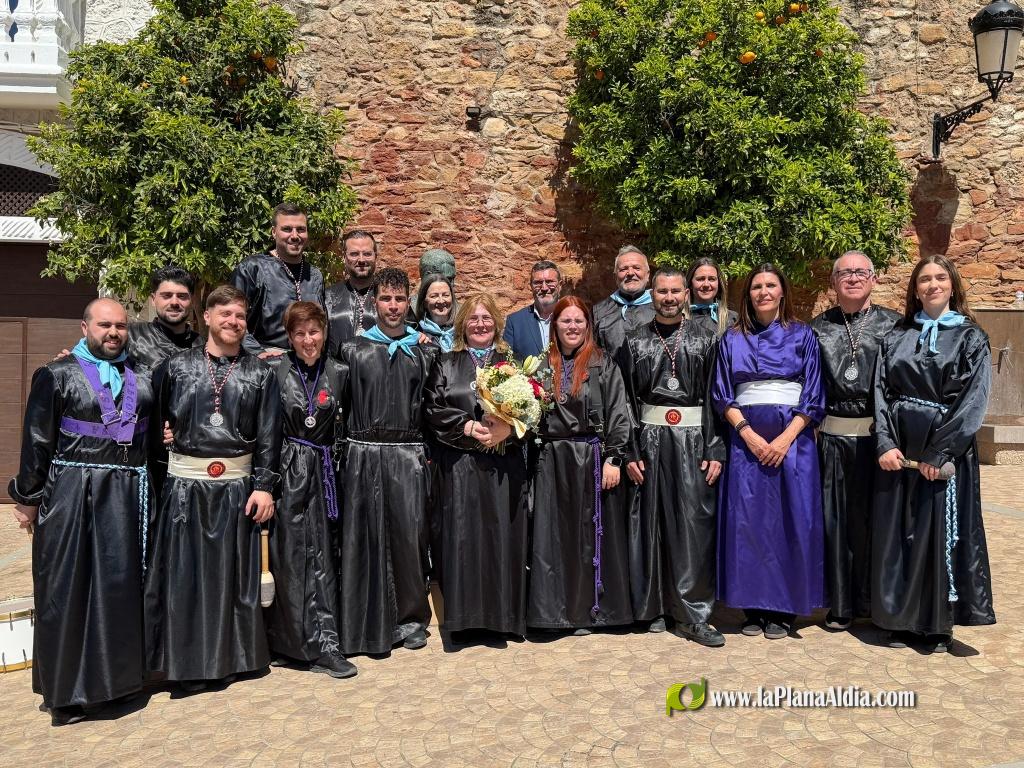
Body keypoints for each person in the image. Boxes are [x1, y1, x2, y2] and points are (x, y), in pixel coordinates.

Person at [9, 298, 151, 726]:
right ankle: (66, 695)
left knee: (117, 589)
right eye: (105, 325)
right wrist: (28, 499)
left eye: (121, 326)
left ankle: (116, 685)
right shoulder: (56, 375)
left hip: (126, 494)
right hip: (71, 493)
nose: (113, 333)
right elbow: (36, 440)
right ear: (85, 326)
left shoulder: (142, 378)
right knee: (67, 588)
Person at [146, 286, 281, 691]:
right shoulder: (174, 367)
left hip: (237, 490)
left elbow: (270, 436)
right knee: (186, 579)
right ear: (205, 317)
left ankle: (236, 660)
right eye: (224, 314)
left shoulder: (259, 373)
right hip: (186, 489)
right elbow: (154, 427)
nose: (233, 322)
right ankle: (187, 667)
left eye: (240, 316)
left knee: (233, 580)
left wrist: (265, 487)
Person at [873, 254, 995, 652]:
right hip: (900, 443)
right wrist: (887, 443)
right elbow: (881, 391)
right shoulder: (896, 334)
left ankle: (936, 624)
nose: (932, 285)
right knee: (899, 534)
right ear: (915, 288)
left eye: (940, 277)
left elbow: (974, 401)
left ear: (953, 284)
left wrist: (940, 452)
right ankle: (897, 619)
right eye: (924, 279)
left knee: (936, 532)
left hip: (944, 445)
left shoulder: (971, 337)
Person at [712, 263, 825, 640]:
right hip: (746, 441)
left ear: (781, 292)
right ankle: (752, 606)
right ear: (748, 295)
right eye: (756, 286)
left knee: (792, 519)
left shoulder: (803, 335)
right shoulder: (731, 339)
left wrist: (785, 439)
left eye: (770, 285)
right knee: (749, 520)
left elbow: (813, 393)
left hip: (793, 440)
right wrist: (748, 434)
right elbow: (722, 393)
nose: (763, 291)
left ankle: (785, 608)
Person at [335, 267, 438, 654]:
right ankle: (365, 619)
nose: (392, 307)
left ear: (408, 303)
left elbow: (436, 407)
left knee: (410, 540)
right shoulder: (352, 349)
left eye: (399, 299)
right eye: (385, 299)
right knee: (364, 538)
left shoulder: (427, 351)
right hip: (362, 454)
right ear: (373, 302)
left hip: (409, 456)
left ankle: (411, 620)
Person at [623, 268, 725, 647]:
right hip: (649, 440)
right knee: (650, 525)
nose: (668, 297)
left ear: (686, 294)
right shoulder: (635, 340)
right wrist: (630, 449)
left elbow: (719, 395)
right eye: (661, 291)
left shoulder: (708, 337)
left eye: (675, 291)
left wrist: (716, 448)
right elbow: (627, 400)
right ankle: (654, 609)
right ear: (652, 294)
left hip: (694, 440)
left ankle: (693, 614)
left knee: (692, 527)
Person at [423, 294, 529, 641]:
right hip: (459, 467)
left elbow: (530, 408)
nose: (480, 324)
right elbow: (433, 407)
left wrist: (506, 429)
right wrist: (467, 427)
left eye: (486, 318)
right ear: (462, 324)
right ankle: (463, 621)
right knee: (462, 539)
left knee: (501, 537)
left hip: (502, 465)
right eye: (473, 319)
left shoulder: (510, 362)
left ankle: (503, 619)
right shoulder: (446, 361)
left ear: (496, 323)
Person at [528, 296, 633, 634]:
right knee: (555, 537)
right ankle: (557, 613)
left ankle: (593, 612)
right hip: (552, 461)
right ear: (554, 326)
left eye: (578, 321)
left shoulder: (603, 363)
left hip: (592, 457)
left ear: (588, 326)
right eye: (565, 321)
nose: (572, 327)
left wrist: (615, 458)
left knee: (591, 536)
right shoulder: (541, 367)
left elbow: (619, 412)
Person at [262, 302, 357, 678]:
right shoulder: (274, 369)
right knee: (289, 558)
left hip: (325, 473)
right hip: (287, 470)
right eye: (299, 334)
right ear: (289, 336)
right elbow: (264, 427)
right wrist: (266, 481)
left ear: (325, 331)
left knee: (323, 557)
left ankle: (326, 645)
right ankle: (290, 645)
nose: (308, 340)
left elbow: (346, 422)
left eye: (314, 331)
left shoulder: (339, 372)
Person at [810, 251, 901, 631]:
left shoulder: (895, 326)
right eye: (844, 273)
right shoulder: (817, 329)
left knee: (880, 525)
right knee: (837, 525)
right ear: (833, 282)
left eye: (860, 272)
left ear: (874, 279)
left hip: (880, 442)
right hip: (833, 441)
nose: (852, 278)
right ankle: (843, 606)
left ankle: (879, 604)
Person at [231, 202, 325, 356]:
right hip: (266, 362)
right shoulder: (252, 268)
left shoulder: (314, 275)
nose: (295, 236)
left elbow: (321, 324)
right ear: (274, 232)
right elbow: (234, 319)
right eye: (287, 229)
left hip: (308, 362)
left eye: (300, 229)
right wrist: (258, 354)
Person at [129, 265, 204, 372]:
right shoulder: (131, 337)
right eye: (167, 296)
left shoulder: (202, 347)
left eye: (181, 296)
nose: (174, 302)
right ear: (153, 300)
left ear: (191, 300)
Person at [592, 245, 655, 362]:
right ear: (615, 277)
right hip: (613, 379)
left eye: (637, 268)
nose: (630, 273)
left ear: (647, 275)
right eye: (623, 269)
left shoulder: (661, 308)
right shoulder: (599, 312)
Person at [326, 229, 379, 357]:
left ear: (375, 256)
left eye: (367, 254)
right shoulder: (328, 296)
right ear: (345, 257)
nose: (361, 260)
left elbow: (409, 332)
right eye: (354, 254)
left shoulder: (389, 296)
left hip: (379, 373)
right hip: (338, 372)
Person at [503, 260, 562, 360]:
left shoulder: (574, 318)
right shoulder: (515, 322)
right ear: (531, 286)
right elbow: (506, 362)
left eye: (549, 281)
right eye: (538, 283)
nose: (544, 288)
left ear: (560, 285)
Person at [686, 257, 738, 337]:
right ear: (690, 283)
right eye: (700, 279)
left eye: (711, 279)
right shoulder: (679, 320)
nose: (706, 284)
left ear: (718, 284)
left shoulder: (733, 320)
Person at [415, 273, 458, 351]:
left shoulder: (462, 333)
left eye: (446, 295)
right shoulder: (416, 334)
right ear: (424, 302)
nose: (441, 301)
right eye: (434, 296)